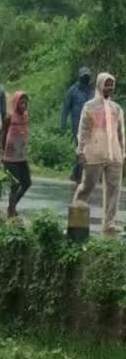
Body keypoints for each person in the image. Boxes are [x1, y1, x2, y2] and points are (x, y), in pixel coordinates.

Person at [74, 73, 125, 236]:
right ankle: (75, 217)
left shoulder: (117, 109)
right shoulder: (89, 106)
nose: (109, 87)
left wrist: (124, 153)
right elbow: (83, 130)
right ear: (99, 85)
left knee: (114, 189)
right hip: (94, 153)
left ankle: (109, 224)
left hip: (114, 155)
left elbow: (121, 133)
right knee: (87, 186)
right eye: (106, 84)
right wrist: (80, 150)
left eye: (111, 84)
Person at [61, 66, 95, 184]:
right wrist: (63, 125)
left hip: (90, 126)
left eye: (87, 77)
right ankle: (77, 175)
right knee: (80, 150)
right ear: (80, 77)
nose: (85, 79)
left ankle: (78, 174)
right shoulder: (73, 90)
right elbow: (65, 108)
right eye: (83, 77)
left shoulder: (92, 92)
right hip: (77, 126)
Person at [1, 92, 32, 218]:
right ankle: (11, 211)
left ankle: (12, 207)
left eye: (25, 102)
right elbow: (3, 134)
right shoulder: (9, 117)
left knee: (27, 183)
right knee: (15, 184)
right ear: (16, 103)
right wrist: (1, 151)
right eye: (21, 102)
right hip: (10, 157)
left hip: (22, 156)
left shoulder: (26, 116)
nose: (24, 105)